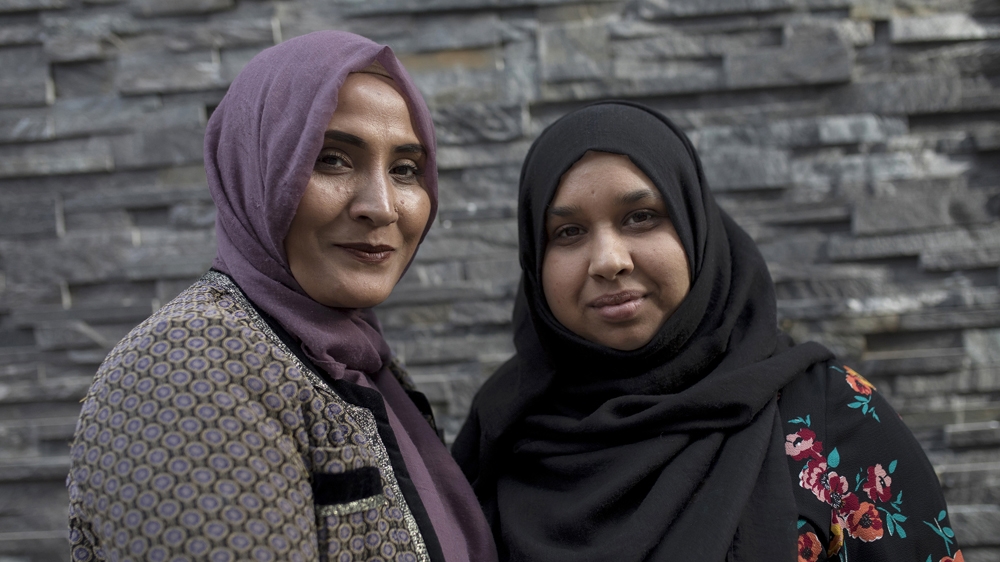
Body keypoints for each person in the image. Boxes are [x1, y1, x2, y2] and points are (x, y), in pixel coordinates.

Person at [452, 101, 963, 562]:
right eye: (568, 232)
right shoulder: (501, 430)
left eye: (641, 217)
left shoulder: (831, 416)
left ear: (695, 226)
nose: (608, 261)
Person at [67, 31, 497, 562]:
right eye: (332, 159)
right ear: (255, 168)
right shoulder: (188, 367)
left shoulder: (351, 359)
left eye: (405, 169)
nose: (382, 207)